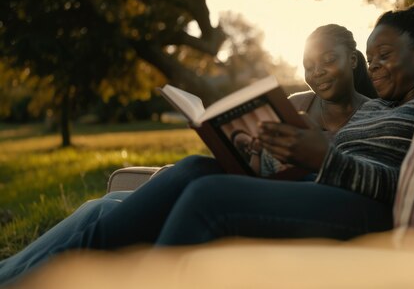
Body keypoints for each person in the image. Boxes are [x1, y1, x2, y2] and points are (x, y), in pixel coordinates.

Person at [0, 24, 377, 285]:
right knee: (101, 205)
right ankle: (9, 272)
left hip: (272, 202)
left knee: (113, 209)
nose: (317, 72)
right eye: (309, 65)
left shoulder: (375, 117)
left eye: (328, 60)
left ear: (354, 58)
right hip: (246, 181)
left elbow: (342, 175)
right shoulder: (296, 103)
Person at [77, 2, 414, 248]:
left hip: (367, 208)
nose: (375, 65)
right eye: (371, 58)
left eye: (384, 55)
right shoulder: (376, 108)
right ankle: (80, 257)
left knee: (209, 198)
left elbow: (413, 185)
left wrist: (326, 157)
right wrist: (268, 154)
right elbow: (326, 160)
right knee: (195, 170)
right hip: (326, 186)